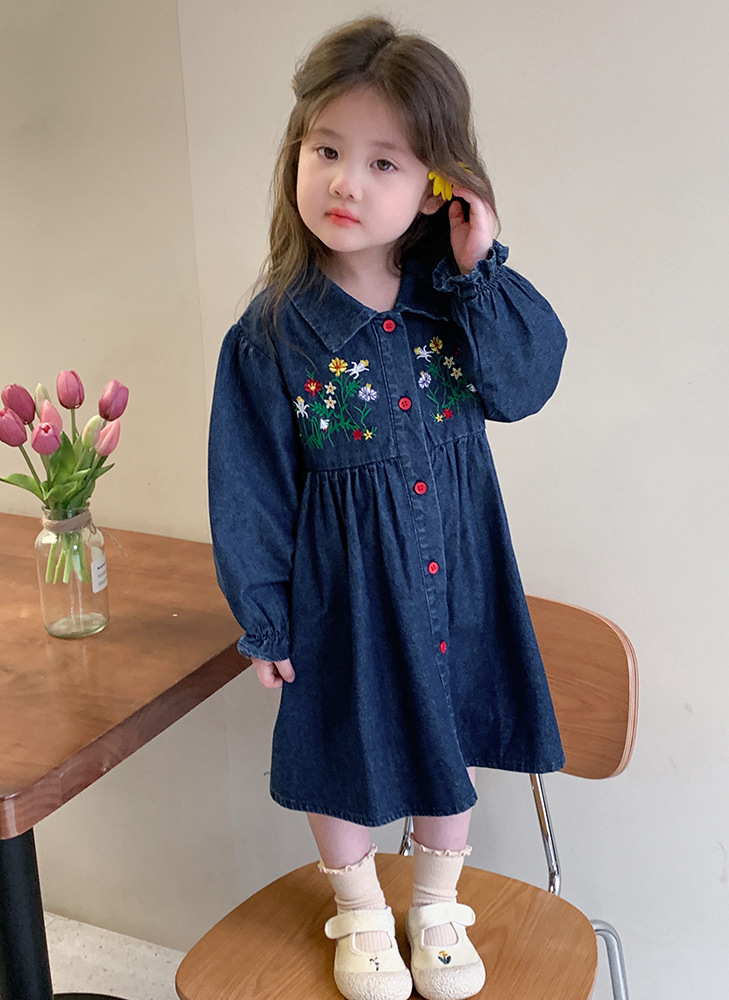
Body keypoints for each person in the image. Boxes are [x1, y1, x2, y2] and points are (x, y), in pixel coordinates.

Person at [208, 16, 567, 1000]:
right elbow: (248, 483)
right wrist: (266, 614)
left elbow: (526, 383)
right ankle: (362, 909)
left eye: (384, 163)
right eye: (326, 150)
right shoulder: (271, 335)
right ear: (296, 153)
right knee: (339, 739)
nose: (346, 184)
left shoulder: (458, 304)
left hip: (458, 577)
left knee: (452, 728)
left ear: (437, 184)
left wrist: (480, 263)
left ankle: (437, 905)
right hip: (342, 594)